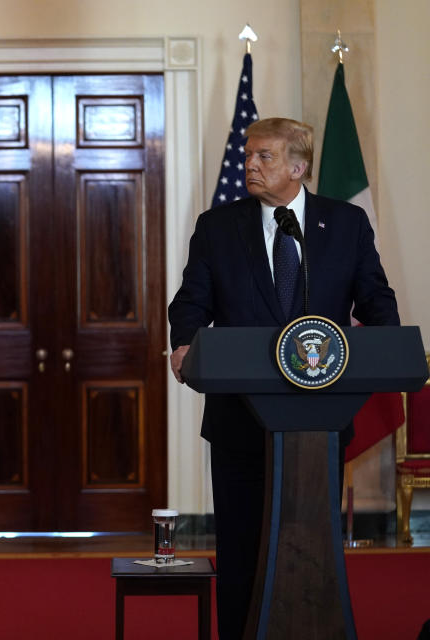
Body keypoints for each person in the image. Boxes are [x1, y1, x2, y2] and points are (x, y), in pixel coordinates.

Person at [168, 118, 399, 639]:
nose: (249, 164)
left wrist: (382, 344)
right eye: (248, 156)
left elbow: (376, 301)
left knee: (312, 544)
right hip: (238, 422)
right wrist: (183, 343)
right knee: (242, 551)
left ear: (298, 168)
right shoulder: (217, 227)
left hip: (319, 421)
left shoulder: (346, 224)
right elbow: (190, 302)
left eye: (264, 156)